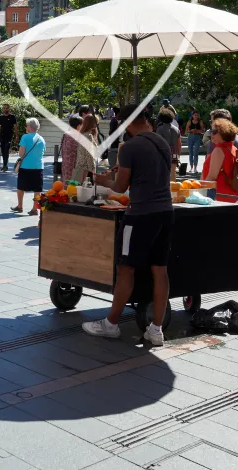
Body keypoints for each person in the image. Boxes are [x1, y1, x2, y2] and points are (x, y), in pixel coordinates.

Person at [83, 104, 173, 347]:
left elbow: (120, 187)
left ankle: (111, 324)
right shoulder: (162, 142)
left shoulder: (130, 147)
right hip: (165, 212)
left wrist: (104, 179)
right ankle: (156, 329)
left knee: (126, 269)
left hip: (140, 214)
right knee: (160, 270)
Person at [201, 117, 238, 202]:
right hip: (231, 194)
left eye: (214, 132)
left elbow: (212, 177)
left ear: (223, 132)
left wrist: (200, 192)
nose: (211, 135)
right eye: (211, 131)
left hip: (219, 196)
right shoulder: (233, 148)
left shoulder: (219, 150)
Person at [10, 117, 46, 215]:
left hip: (26, 166)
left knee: (21, 187)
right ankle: (34, 209)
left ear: (29, 127)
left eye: (26, 125)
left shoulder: (25, 137)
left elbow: (21, 154)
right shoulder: (41, 139)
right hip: (38, 167)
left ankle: (20, 206)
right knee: (37, 189)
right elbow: (42, 152)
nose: (26, 127)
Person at [155, 109, 181, 181]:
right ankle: (173, 188)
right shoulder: (176, 129)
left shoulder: (160, 129)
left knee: (163, 171)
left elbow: (158, 142)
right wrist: (178, 154)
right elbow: (179, 144)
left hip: (163, 151)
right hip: (174, 151)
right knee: (173, 171)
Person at [74, 114, 99, 182]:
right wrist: (93, 169)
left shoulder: (81, 134)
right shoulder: (88, 136)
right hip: (87, 169)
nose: (97, 124)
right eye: (96, 122)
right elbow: (89, 154)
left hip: (80, 167)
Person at [0, 105, 17, 172]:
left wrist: (17, 136)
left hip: (9, 136)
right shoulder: (1, 117)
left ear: (9, 109)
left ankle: (5, 165)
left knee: (6, 150)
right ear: (2, 109)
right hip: (2, 137)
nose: (5, 109)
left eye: (6, 108)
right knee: (3, 151)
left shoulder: (12, 117)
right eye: (4, 108)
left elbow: (16, 127)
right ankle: (5, 164)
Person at [60, 116, 82, 183]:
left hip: (65, 163)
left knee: (65, 182)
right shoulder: (78, 136)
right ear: (78, 126)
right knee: (73, 185)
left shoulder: (65, 134)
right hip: (74, 165)